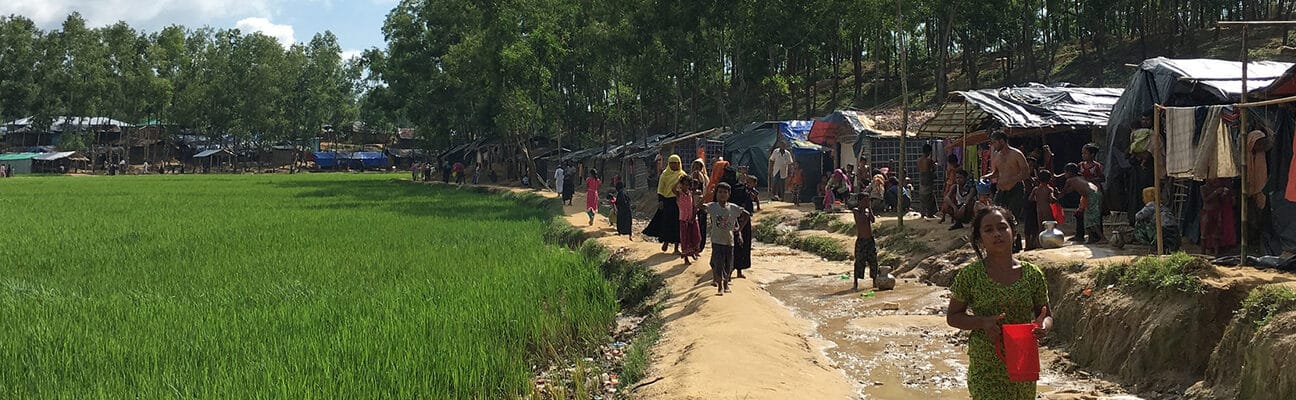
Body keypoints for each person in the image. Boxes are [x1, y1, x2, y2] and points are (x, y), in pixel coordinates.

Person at [946, 206, 1052, 400]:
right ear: (980, 239)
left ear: (1013, 231)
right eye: (988, 230)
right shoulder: (970, 276)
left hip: (1023, 361)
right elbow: (953, 317)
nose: (997, 234)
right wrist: (982, 322)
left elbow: (1046, 314)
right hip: (986, 365)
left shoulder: (1032, 274)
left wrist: (1042, 327)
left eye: (1002, 227)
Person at [982, 131, 1030, 251]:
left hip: (1015, 188)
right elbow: (997, 173)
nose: (993, 145)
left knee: (1013, 217)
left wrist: (1011, 179)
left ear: (1002, 141)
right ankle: (1004, 242)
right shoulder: (997, 156)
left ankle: (1015, 242)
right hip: (1001, 190)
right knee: (997, 215)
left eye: (994, 142)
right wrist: (987, 176)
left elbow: (1025, 172)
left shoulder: (1016, 154)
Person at [707, 182, 748, 295]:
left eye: (725, 192)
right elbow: (699, 206)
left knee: (728, 264)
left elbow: (746, 215)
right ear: (716, 194)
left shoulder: (733, 208)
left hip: (729, 241)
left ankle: (726, 285)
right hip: (716, 241)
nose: (722, 194)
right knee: (718, 264)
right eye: (720, 192)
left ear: (729, 194)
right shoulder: (713, 206)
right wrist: (706, 195)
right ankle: (720, 286)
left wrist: (739, 231)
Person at [643, 155, 685, 253]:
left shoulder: (682, 175)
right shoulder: (664, 175)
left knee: (677, 225)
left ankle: (676, 247)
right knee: (667, 223)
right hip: (667, 202)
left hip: (679, 202)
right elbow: (661, 189)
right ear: (669, 164)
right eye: (672, 163)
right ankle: (666, 242)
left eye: (676, 163)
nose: (674, 165)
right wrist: (660, 201)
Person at [722, 165, 755, 279]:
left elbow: (747, 209)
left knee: (733, 246)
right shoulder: (728, 189)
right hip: (735, 221)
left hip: (735, 221)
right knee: (735, 246)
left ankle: (731, 271)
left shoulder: (724, 189)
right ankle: (735, 271)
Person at [1061, 163, 1104, 243]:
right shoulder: (1080, 178)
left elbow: (1063, 192)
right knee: (1087, 216)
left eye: (1065, 172)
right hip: (1096, 192)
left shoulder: (1069, 180)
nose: (1065, 175)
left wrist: (1055, 196)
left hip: (1091, 196)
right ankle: (1091, 238)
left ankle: (1102, 238)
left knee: (1090, 218)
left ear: (1069, 173)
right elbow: (1069, 190)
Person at [1135, 187, 1180, 252]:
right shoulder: (1161, 205)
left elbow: (1138, 216)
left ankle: (1151, 243)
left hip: (1163, 230)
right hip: (1173, 230)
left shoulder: (1151, 205)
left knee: (1139, 224)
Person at [1201, 178, 1237, 255]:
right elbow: (1205, 199)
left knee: (1216, 232)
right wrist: (1215, 192)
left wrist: (1224, 194)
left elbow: (1221, 200)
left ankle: (1216, 253)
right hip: (1207, 212)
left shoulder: (1217, 188)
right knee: (1204, 232)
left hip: (1217, 211)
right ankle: (1203, 252)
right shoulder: (1203, 188)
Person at [852, 202, 877, 291]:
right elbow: (860, 220)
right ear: (861, 201)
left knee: (873, 261)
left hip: (870, 240)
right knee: (859, 261)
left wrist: (870, 210)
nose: (868, 203)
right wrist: (864, 210)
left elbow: (873, 220)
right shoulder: (856, 211)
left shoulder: (868, 211)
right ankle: (855, 283)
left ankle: (874, 281)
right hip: (861, 241)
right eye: (866, 201)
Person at [676, 176, 702, 265]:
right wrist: (678, 181)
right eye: (684, 184)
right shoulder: (679, 194)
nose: (685, 187)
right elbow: (672, 189)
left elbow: (695, 205)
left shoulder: (691, 193)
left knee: (696, 237)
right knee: (685, 239)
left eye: (687, 185)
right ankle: (686, 258)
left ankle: (694, 252)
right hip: (683, 219)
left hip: (692, 219)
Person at [691, 159, 711, 250]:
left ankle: (700, 246)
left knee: (701, 226)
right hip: (691, 205)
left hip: (702, 205)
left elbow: (706, 190)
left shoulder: (705, 178)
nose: (696, 168)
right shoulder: (690, 177)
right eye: (695, 166)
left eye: (698, 166)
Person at [918, 144, 938, 218]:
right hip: (928, 178)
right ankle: (930, 213)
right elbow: (933, 168)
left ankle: (923, 212)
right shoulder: (929, 160)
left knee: (922, 196)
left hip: (922, 178)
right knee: (929, 196)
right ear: (928, 152)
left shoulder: (919, 160)